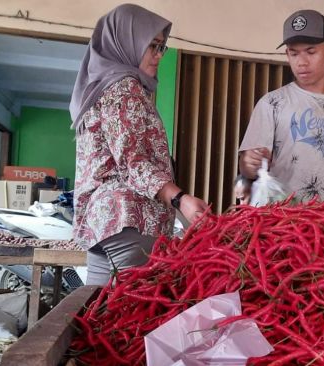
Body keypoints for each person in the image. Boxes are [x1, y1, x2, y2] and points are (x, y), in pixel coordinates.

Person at [70, 4, 208, 286]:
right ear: (127, 42)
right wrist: (181, 199)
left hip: (106, 224)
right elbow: (133, 164)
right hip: (129, 219)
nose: (158, 56)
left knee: (96, 313)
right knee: (129, 319)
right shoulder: (124, 87)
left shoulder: (102, 85)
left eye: (162, 47)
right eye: (152, 46)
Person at [238, 9, 324, 202]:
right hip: (280, 222)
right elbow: (247, 169)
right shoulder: (271, 103)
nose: (301, 62)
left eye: (311, 52)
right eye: (294, 54)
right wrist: (248, 163)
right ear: (287, 54)